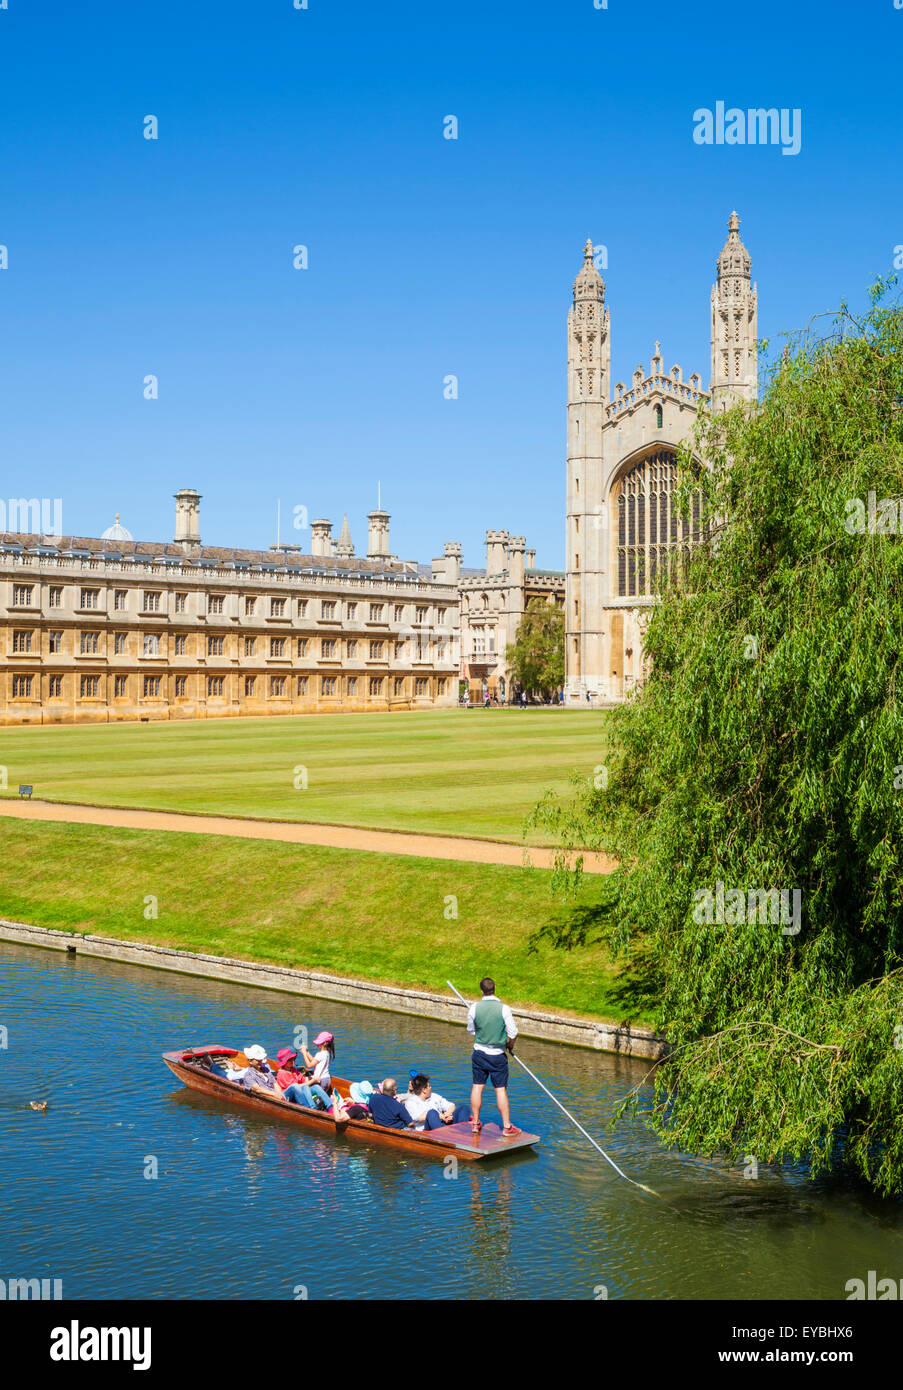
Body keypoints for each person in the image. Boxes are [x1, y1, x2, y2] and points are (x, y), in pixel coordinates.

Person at [467, 977, 521, 1136]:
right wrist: (510, 1045)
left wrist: (482, 1031)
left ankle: (475, 1123)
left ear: (481, 991)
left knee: (477, 1086)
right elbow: (513, 1032)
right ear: (495, 988)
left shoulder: (474, 1008)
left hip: (479, 1054)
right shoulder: (504, 1009)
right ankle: (506, 1127)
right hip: (498, 1055)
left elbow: (471, 1030)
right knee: (500, 1090)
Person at [404, 1074, 470, 1131]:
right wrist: (440, 1116)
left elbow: (451, 1105)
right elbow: (419, 1118)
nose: (431, 1087)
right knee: (431, 1113)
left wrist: (448, 1114)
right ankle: (445, 1133)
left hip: (444, 1123)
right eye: (429, 1086)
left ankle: (462, 1130)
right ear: (424, 1090)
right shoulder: (411, 1102)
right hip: (428, 1130)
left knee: (464, 1108)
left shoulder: (434, 1096)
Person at [276, 1044, 333, 1110]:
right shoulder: (282, 1073)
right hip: (289, 1096)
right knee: (297, 1086)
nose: (293, 1061)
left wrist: (313, 1077)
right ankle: (311, 1108)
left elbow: (303, 1079)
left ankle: (330, 1106)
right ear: (284, 1062)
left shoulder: (293, 1069)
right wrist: (312, 1081)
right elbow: (296, 1087)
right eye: (290, 1060)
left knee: (316, 1087)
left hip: (299, 1093)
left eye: (293, 1059)